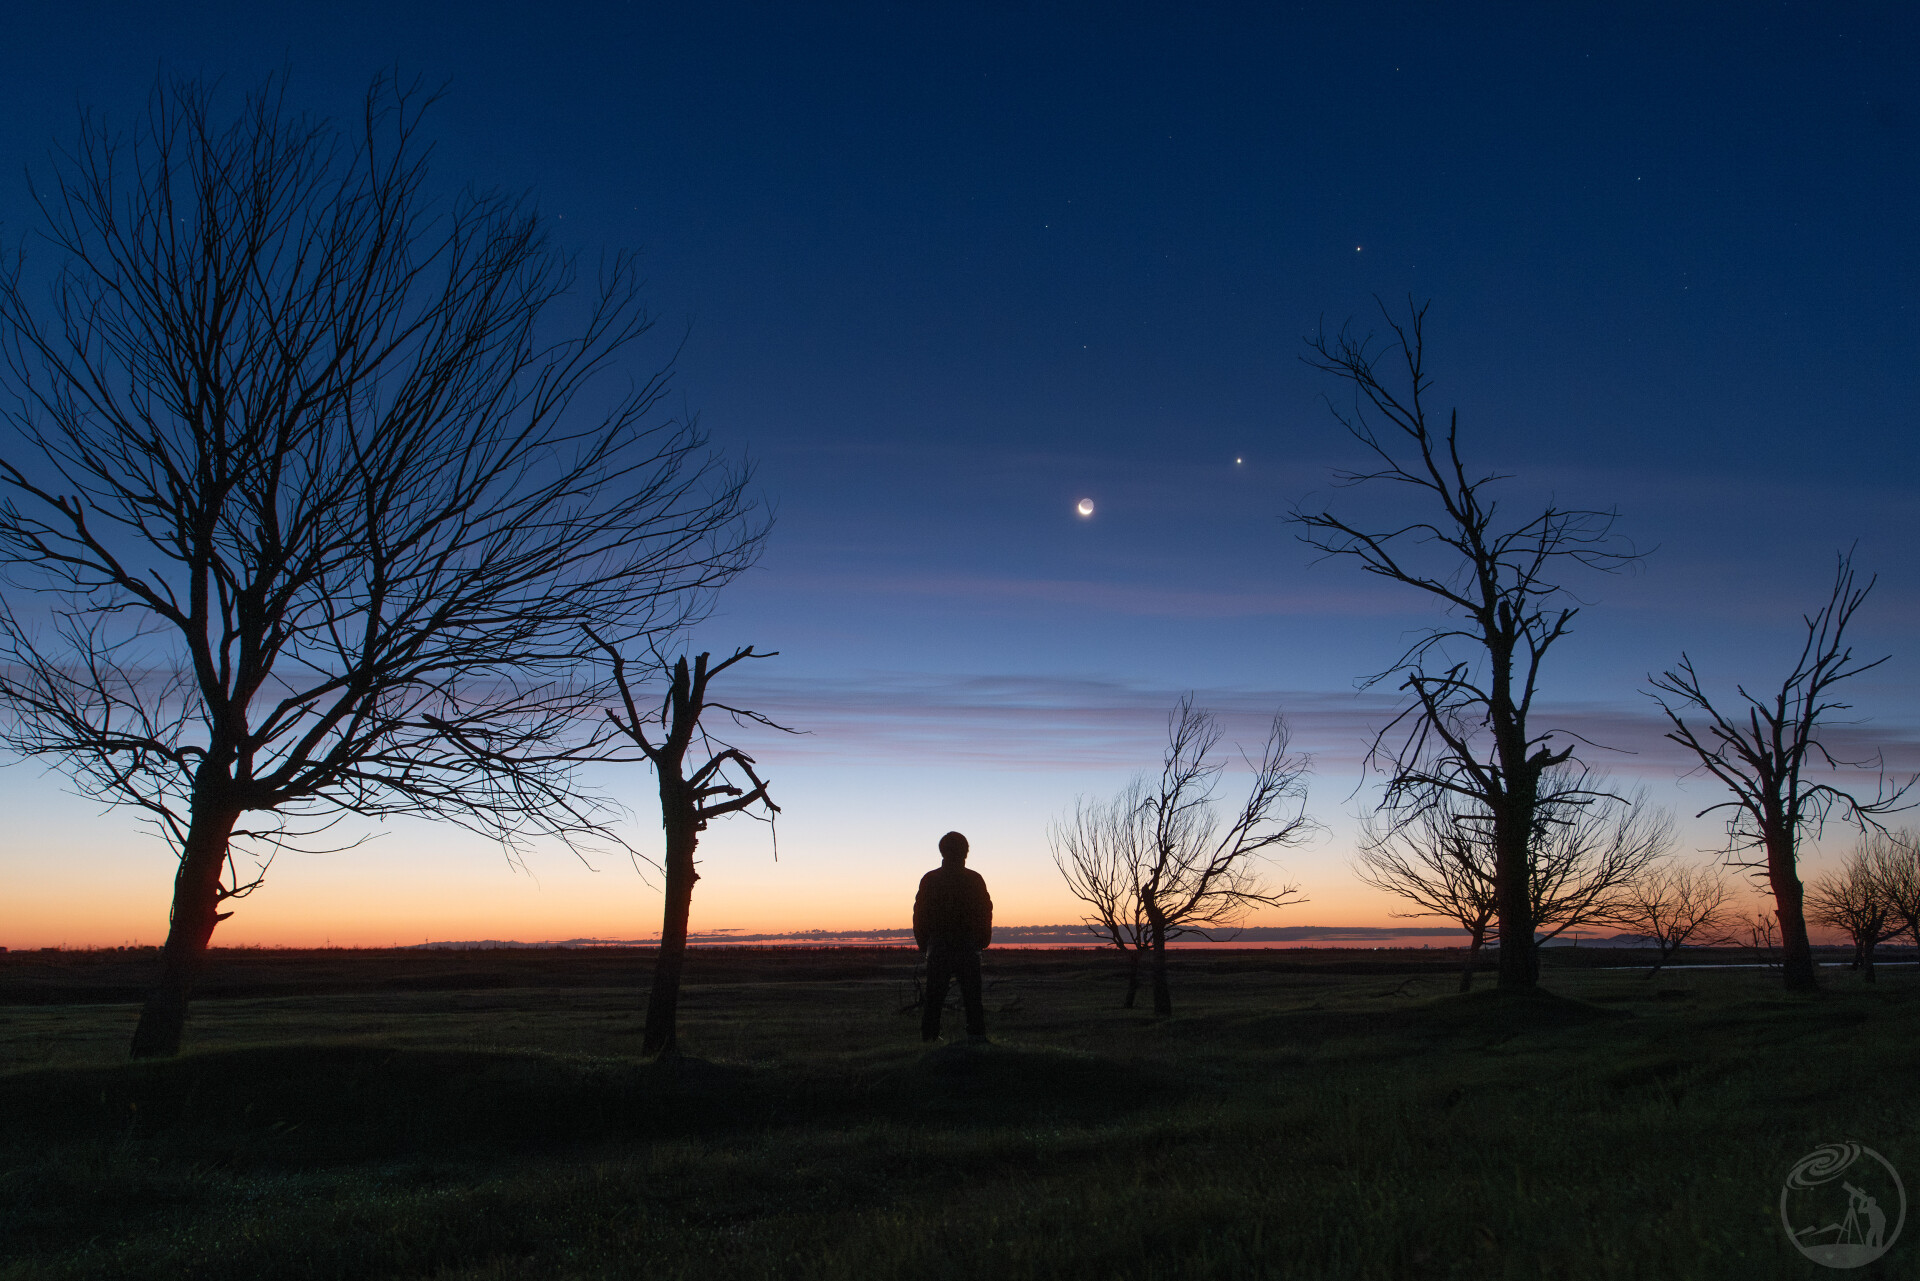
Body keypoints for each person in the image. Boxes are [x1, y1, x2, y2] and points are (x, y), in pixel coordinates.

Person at [913, 830, 993, 1043]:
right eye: (962, 849)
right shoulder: (971, 879)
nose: (964, 853)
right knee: (966, 999)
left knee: (939, 998)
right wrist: (981, 941)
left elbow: (919, 915)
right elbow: (985, 911)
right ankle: (975, 1038)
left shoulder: (933, 879)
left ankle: (934, 1040)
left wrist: (926, 945)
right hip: (958, 947)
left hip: (949, 947)